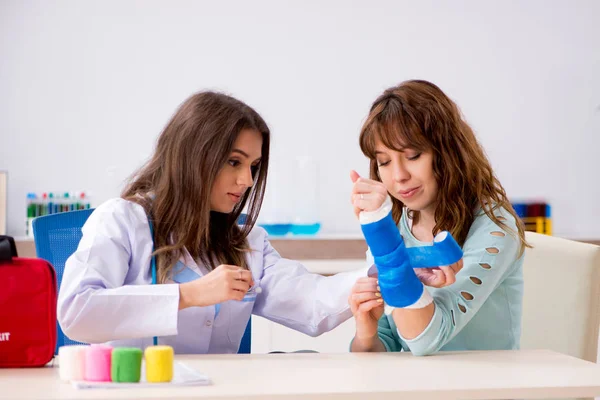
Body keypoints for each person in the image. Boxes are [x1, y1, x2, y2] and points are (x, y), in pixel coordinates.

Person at [348, 80, 528, 356]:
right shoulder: (396, 225)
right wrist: (367, 331)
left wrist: (381, 238)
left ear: (447, 152)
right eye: (384, 162)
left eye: (413, 155)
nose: (398, 176)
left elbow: (426, 339)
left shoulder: (495, 226)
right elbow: (380, 349)